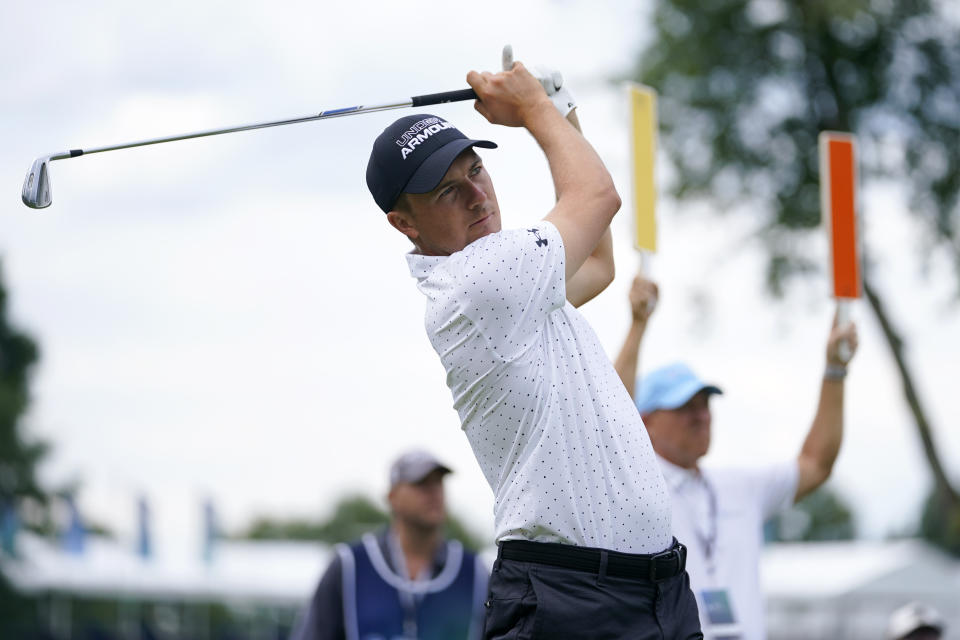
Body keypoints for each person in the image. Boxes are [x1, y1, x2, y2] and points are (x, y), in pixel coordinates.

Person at [366, 58, 701, 639]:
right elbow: (597, 196)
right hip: (569, 599)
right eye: (449, 191)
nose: (477, 196)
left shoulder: (517, 285)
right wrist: (536, 108)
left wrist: (563, 106)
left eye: (477, 170)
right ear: (405, 224)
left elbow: (598, 262)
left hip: (659, 592)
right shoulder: (479, 280)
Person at [615, 274, 859, 640]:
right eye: (686, 406)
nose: (703, 415)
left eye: (706, 403)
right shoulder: (631, 490)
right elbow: (611, 419)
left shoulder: (737, 486)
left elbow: (816, 463)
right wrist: (638, 324)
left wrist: (835, 370)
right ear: (645, 420)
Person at [290, 449, 487, 640]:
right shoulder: (350, 565)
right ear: (392, 497)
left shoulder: (474, 571)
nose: (433, 492)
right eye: (421, 484)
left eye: (438, 483)